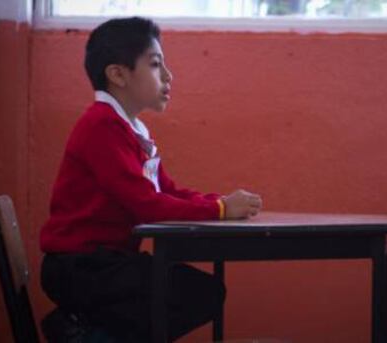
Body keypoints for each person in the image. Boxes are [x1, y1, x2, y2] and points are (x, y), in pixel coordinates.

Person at [40, 17, 262, 342]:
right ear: (117, 74)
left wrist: (219, 203)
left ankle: (83, 327)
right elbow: (147, 205)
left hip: (106, 263)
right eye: (156, 65)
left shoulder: (130, 129)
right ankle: (79, 330)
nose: (169, 76)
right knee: (200, 293)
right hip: (81, 267)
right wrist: (219, 210)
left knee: (200, 291)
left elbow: (166, 190)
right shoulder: (101, 126)